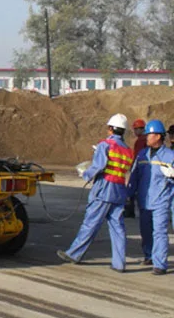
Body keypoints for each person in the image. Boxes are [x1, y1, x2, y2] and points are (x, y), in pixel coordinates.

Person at [57, 114, 135, 272]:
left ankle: (74, 253)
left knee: (91, 223)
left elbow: (99, 165)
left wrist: (85, 174)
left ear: (111, 129)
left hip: (104, 189)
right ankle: (119, 263)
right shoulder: (128, 150)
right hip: (119, 190)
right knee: (117, 228)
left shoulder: (105, 145)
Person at [127, 119, 174, 274]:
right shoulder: (142, 155)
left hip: (161, 201)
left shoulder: (170, 156)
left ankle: (160, 264)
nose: (146, 137)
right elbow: (134, 176)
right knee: (146, 231)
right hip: (144, 200)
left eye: (149, 134)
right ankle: (149, 255)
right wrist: (128, 194)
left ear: (158, 136)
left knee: (159, 232)